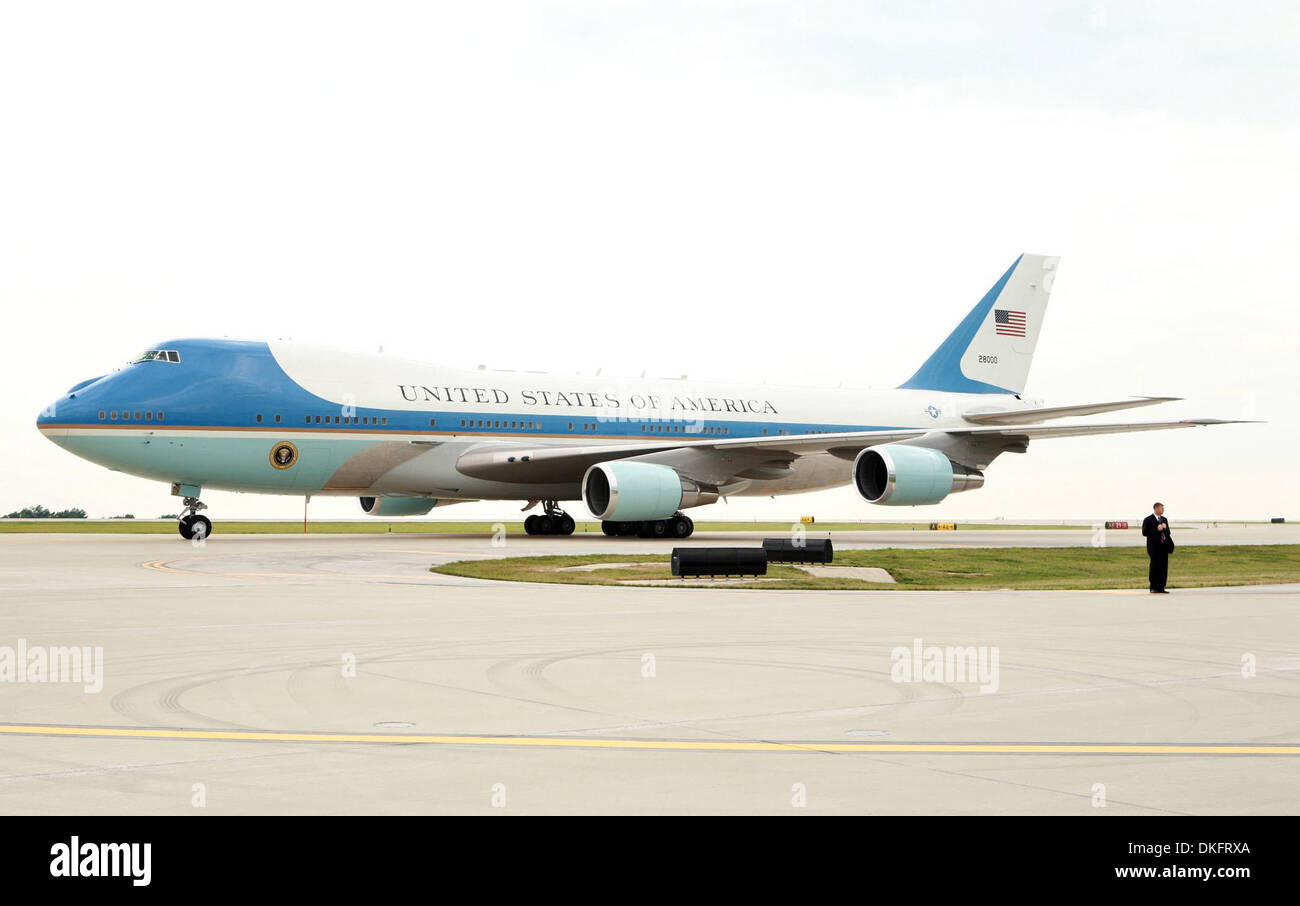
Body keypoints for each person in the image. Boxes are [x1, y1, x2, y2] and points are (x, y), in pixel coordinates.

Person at [1141, 502, 1175, 593]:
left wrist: (1165, 528)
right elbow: (1144, 533)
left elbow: (1168, 533)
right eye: (1161, 508)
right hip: (1154, 548)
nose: (1163, 510)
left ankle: (1161, 587)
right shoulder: (1148, 519)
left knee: (1163, 567)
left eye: (1163, 508)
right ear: (1156, 508)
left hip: (1164, 547)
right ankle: (1153, 587)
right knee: (1155, 567)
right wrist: (1157, 529)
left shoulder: (1164, 519)